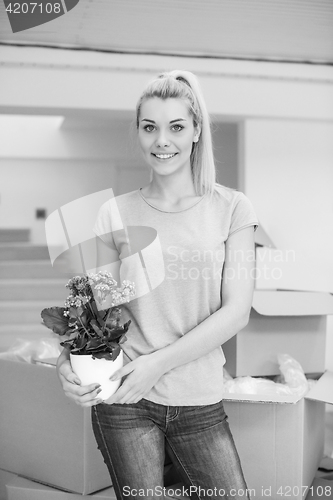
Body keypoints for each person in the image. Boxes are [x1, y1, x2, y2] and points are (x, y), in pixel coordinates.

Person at [56, 70, 259, 500]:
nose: (161, 141)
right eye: (149, 128)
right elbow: (91, 309)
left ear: (196, 131)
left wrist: (158, 364)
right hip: (124, 396)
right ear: (139, 132)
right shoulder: (114, 212)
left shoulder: (232, 209)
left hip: (198, 400)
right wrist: (65, 364)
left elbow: (236, 311)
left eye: (176, 127)